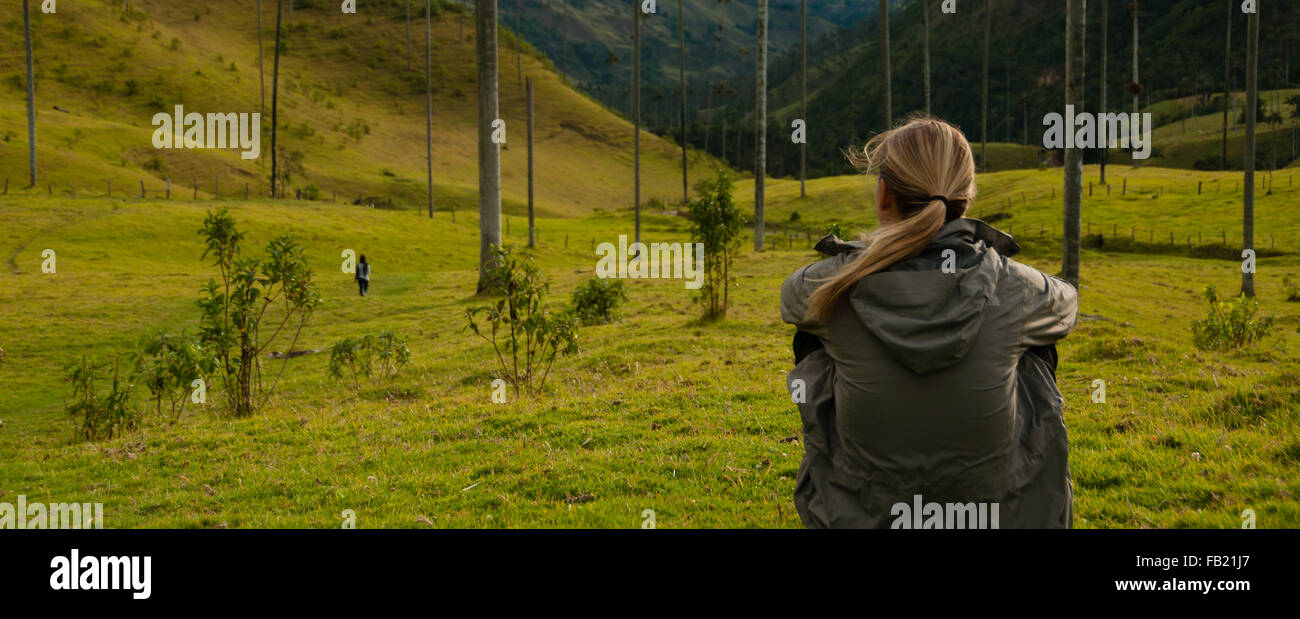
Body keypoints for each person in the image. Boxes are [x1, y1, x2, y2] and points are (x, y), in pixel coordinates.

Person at [781, 117, 1078, 528]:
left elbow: (790, 296)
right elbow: (1067, 305)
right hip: (992, 518)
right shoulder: (1014, 289)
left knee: (813, 336)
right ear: (966, 197)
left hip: (863, 517)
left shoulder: (834, 284)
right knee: (1036, 347)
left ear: (884, 194)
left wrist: (865, 254)